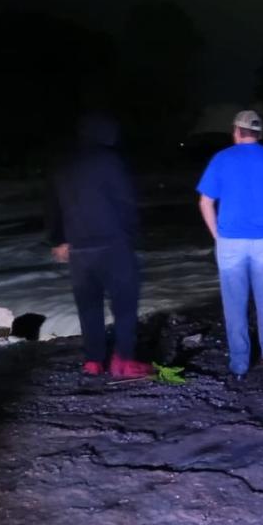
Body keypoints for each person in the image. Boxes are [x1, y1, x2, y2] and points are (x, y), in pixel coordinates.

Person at [45, 113, 151, 378]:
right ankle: (123, 360)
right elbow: (125, 201)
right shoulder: (110, 160)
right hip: (112, 244)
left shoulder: (64, 163)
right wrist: (132, 234)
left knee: (89, 306)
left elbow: (52, 205)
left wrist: (58, 240)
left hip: (78, 249)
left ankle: (93, 361)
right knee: (124, 305)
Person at [197, 110, 263, 379]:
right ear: (258, 133)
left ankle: (240, 364)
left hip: (230, 241)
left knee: (234, 303)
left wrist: (216, 235)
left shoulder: (221, 159)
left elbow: (205, 202)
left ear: (237, 131)